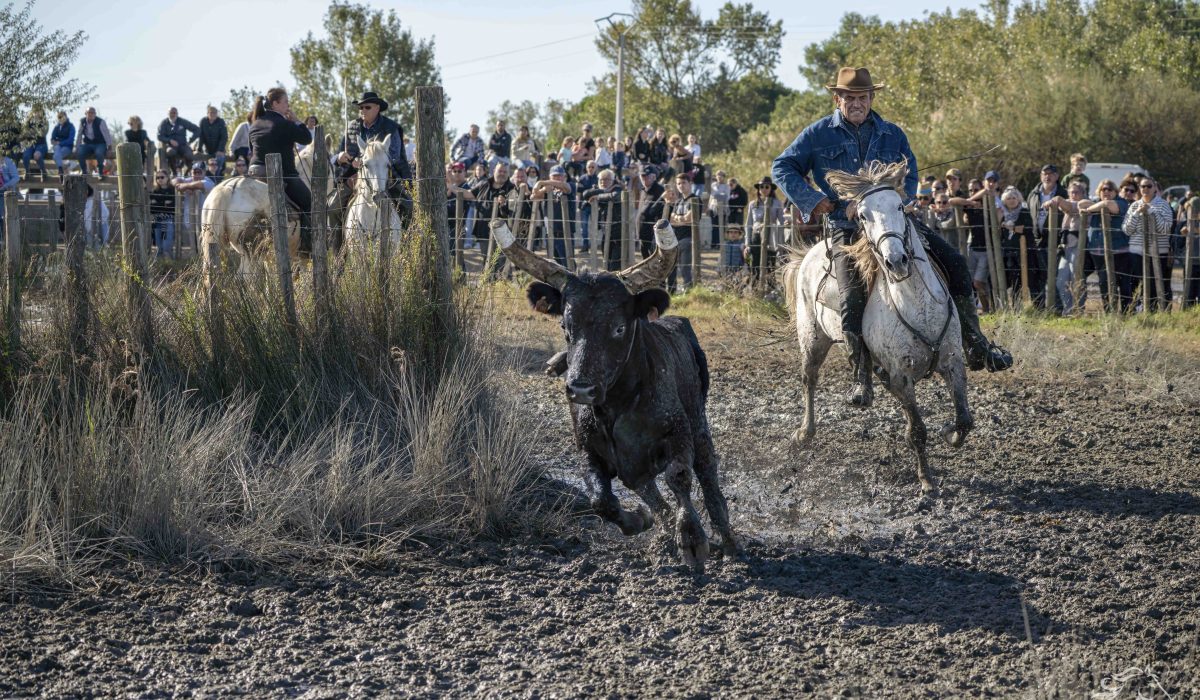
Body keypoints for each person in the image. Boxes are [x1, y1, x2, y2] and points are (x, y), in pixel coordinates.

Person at [772, 66, 1011, 407]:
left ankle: (976, 344)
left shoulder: (891, 134)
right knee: (852, 297)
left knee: (957, 264)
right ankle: (860, 377)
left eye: (863, 97)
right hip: (847, 229)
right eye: (850, 97)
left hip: (894, 226)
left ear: (871, 98)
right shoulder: (817, 134)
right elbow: (781, 167)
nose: (857, 103)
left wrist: (901, 198)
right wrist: (815, 201)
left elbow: (910, 170)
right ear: (837, 99)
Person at [332, 91, 413, 231]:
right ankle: (339, 250)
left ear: (377, 108)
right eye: (360, 108)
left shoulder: (391, 128)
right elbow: (341, 155)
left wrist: (368, 159)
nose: (363, 110)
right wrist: (342, 159)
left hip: (386, 176)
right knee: (333, 208)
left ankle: (406, 246)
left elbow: (395, 157)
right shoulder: (351, 127)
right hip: (354, 178)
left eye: (367, 107)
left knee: (408, 207)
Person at [248, 87, 314, 253]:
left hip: (254, 172)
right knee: (310, 202)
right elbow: (307, 138)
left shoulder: (254, 124)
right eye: (285, 102)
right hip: (282, 174)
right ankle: (307, 245)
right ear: (275, 103)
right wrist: (297, 120)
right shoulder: (284, 124)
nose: (288, 106)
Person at [1078, 179, 1130, 312]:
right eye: (1103, 189)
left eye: (1109, 189)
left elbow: (1109, 205)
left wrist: (1090, 209)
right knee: (1103, 283)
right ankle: (1108, 312)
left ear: (1115, 192)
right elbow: (1081, 203)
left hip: (1119, 251)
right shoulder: (1096, 203)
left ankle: (1125, 313)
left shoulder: (1122, 202)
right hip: (1098, 252)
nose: (1106, 191)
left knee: (1123, 284)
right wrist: (1096, 206)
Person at [1124, 175, 1174, 311]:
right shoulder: (1134, 205)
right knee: (1137, 283)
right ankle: (1137, 310)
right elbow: (1127, 229)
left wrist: (1151, 212)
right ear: (1139, 189)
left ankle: (1153, 311)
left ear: (1154, 189)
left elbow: (1165, 229)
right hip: (1136, 251)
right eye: (1142, 186)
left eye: (1149, 186)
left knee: (1154, 284)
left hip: (1158, 252)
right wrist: (1137, 214)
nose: (1145, 189)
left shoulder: (1163, 205)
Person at [1025, 164, 1068, 308]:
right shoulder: (1034, 193)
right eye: (1044, 173)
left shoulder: (1063, 193)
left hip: (1054, 242)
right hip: (1035, 241)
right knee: (1034, 276)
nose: (1047, 176)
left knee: (1051, 276)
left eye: (1051, 173)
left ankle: (1057, 308)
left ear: (1057, 176)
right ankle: (1038, 308)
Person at [1043, 179, 1088, 314]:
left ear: (1083, 193)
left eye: (1077, 192)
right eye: (1071, 192)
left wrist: (1056, 199)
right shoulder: (1067, 205)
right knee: (1061, 281)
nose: (1074, 194)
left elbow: (1070, 206)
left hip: (1078, 247)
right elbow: (1065, 206)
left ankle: (1078, 309)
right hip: (1065, 248)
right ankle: (1068, 310)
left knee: (1077, 278)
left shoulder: (1083, 204)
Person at [471, 162, 516, 277]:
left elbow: (513, 210)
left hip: (503, 233)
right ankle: (489, 288)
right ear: (493, 171)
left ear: (508, 174)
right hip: (483, 231)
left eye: (504, 172)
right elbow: (469, 194)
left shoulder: (511, 188)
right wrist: (451, 186)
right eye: (500, 171)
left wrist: (504, 204)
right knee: (487, 261)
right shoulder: (484, 184)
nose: (502, 174)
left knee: (502, 263)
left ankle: (502, 289)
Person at [530, 164, 575, 269]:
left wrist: (540, 182)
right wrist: (543, 189)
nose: (557, 178)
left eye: (560, 176)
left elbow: (565, 187)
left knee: (568, 264)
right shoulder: (548, 191)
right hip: (550, 233)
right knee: (555, 265)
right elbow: (533, 197)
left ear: (564, 177)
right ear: (550, 177)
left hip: (565, 233)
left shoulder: (570, 185)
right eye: (554, 176)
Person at [579, 167, 624, 270]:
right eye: (601, 180)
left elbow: (615, 196)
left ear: (612, 180)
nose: (603, 182)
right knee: (606, 258)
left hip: (618, 232)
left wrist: (598, 197)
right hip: (606, 231)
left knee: (615, 262)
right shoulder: (600, 189)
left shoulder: (617, 188)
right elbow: (585, 194)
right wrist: (601, 190)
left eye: (607, 179)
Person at [744, 177, 784, 281]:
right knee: (755, 265)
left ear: (771, 188)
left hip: (771, 236)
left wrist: (780, 243)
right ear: (758, 189)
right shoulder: (753, 204)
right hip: (756, 236)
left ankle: (770, 291)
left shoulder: (777, 203)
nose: (764, 189)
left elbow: (781, 222)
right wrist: (747, 243)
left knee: (770, 265)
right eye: (761, 187)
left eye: (767, 187)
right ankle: (755, 290)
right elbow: (748, 224)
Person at [997, 186, 1034, 300]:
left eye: (1014, 197)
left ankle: (1018, 307)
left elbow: (1024, 229)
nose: (1012, 200)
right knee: (1006, 281)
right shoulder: (1002, 213)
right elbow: (997, 231)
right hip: (1006, 252)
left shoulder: (1024, 211)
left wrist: (1009, 227)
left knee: (1017, 282)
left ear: (1018, 199)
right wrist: (1000, 221)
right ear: (1004, 200)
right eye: (1009, 198)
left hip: (1021, 253)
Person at [667, 172, 698, 293]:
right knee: (672, 268)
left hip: (688, 238)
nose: (681, 186)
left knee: (685, 269)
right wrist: (682, 218)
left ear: (690, 183)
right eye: (678, 183)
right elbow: (670, 219)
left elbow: (690, 219)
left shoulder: (695, 199)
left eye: (684, 183)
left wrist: (678, 218)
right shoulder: (679, 201)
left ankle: (689, 292)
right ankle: (672, 292)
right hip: (675, 239)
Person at [635, 165, 666, 260]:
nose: (644, 178)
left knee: (655, 260)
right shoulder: (643, 190)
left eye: (647, 176)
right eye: (642, 176)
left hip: (654, 234)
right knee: (645, 260)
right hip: (642, 233)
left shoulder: (660, 191)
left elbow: (657, 212)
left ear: (654, 177)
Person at [157, 107, 200, 172]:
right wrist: (169, 140)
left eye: (174, 113)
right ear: (168, 113)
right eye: (171, 113)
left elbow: (197, 130)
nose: (173, 114)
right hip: (170, 146)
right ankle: (174, 172)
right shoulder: (164, 123)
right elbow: (159, 136)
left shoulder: (182, 122)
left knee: (189, 154)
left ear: (177, 114)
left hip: (183, 145)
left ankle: (187, 172)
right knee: (170, 152)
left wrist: (190, 141)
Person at [77, 107, 113, 178]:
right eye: (89, 113)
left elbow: (107, 135)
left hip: (99, 143)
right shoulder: (82, 121)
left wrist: (109, 148)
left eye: (93, 113)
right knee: (80, 152)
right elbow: (79, 135)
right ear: (85, 114)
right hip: (87, 144)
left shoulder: (100, 121)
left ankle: (100, 172)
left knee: (99, 153)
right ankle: (84, 171)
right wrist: (77, 147)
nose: (91, 114)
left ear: (95, 114)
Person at [149, 169, 176, 258]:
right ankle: (160, 265)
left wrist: (158, 202)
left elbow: (172, 205)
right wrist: (164, 202)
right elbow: (152, 208)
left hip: (168, 218)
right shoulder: (154, 191)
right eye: (157, 177)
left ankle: (168, 262)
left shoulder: (172, 190)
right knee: (158, 244)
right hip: (157, 219)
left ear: (167, 178)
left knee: (167, 243)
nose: (160, 179)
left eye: (162, 177)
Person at [197, 105, 228, 176]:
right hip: (207, 149)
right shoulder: (203, 121)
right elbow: (201, 136)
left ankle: (217, 178)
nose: (213, 114)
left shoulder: (221, 122)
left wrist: (220, 150)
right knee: (202, 162)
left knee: (219, 161)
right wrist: (199, 150)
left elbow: (224, 137)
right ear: (207, 113)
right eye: (211, 112)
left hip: (219, 149)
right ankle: (206, 179)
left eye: (215, 113)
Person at [20, 106, 48, 180]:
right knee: (25, 156)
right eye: (35, 111)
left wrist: (31, 132)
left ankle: (43, 171)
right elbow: (24, 133)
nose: (37, 113)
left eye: (39, 111)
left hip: (41, 144)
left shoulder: (44, 121)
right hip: (29, 144)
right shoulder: (27, 121)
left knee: (37, 155)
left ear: (42, 112)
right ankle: (27, 171)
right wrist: (35, 131)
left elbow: (42, 133)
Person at [576, 160, 599, 251]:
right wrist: (578, 205)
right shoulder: (581, 178)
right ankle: (585, 246)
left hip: (595, 206)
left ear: (596, 168)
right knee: (584, 227)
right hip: (584, 206)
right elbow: (578, 193)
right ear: (586, 168)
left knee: (594, 227)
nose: (591, 168)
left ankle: (593, 246)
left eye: (593, 167)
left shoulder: (598, 179)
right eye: (589, 167)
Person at [50, 111, 75, 178]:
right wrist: (52, 141)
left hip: (67, 147)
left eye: (62, 116)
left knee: (55, 156)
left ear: (66, 116)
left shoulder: (71, 126)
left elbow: (70, 140)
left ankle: (61, 169)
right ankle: (63, 168)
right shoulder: (57, 127)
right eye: (59, 117)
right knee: (57, 147)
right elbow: (53, 137)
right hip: (57, 147)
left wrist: (60, 142)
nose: (61, 118)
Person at [0, 152, 17, 240]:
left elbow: (16, 178)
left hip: (5, 192)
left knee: (1, 216)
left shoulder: (8, 161)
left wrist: (5, 186)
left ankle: (2, 240)